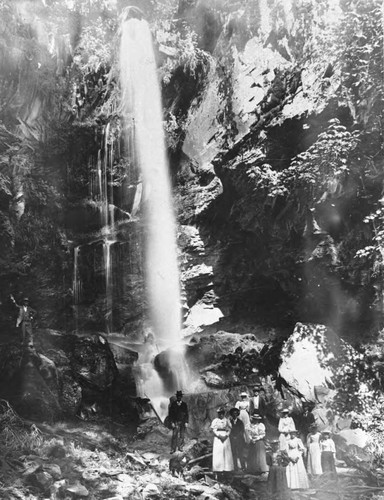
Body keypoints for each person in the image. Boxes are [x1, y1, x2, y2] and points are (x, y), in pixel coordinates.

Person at [211, 408, 234, 475]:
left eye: (222, 413)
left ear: (224, 414)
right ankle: (218, 468)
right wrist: (219, 435)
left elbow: (229, 429)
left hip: (225, 436)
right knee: (219, 452)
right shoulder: (215, 420)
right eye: (219, 413)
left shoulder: (227, 420)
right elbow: (214, 429)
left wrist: (226, 436)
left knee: (226, 452)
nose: (221, 415)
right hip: (218, 437)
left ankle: (227, 468)